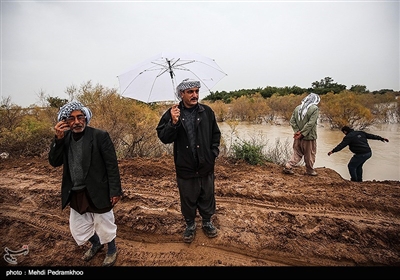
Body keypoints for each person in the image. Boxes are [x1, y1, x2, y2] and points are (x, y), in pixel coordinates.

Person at [48, 101, 123, 266]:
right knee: (78, 228)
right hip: (76, 190)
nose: (76, 122)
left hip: (99, 189)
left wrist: (115, 190)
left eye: (80, 117)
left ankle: (111, 250)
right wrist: (58, 140)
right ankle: (96, 243)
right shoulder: (64, 138)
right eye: (71, 118)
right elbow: (54, 162)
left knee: (104, 223)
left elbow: (112, 165)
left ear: (85, 118)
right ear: (65, 122)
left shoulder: (99, 136)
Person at [156, 79, 221, 244]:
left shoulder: (206, 111)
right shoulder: (173, 113)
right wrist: (173, 123)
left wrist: (213, 153)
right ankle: (190, 225)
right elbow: (164, 137)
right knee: (188, 197)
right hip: (185, 166)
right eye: (190, 92)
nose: (195, 95)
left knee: (207, 195)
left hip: (206, 164)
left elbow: (215, 134)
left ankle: (207, 222)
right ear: (181, 94)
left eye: (197, 91)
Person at [283, 92, 320, 176]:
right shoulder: (314, 108)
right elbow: (311, 123)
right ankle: (310, 170)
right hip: (309, 136)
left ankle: (288, 166)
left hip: (298, 136)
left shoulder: (297, 108)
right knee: (310, 154)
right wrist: (302, 133)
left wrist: (297, 132)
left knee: (297, 152)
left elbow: (292, 121)